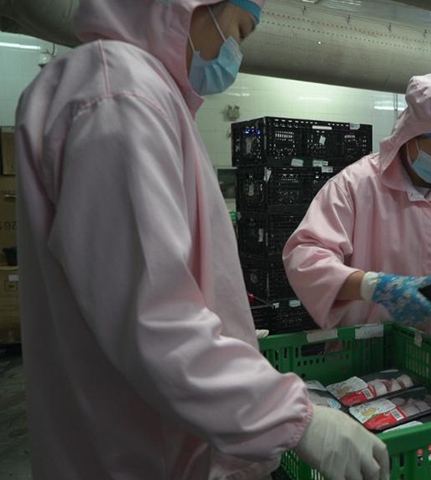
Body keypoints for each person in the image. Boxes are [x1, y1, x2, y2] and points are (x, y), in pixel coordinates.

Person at [15, 1, 390, 479]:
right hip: (141, 454)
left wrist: (224, 330)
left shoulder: (135, 91)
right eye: (238, 30)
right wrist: (294, 417)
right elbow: (154, 320)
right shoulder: (120, 96)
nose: (235, 52)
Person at [283, 74, 431, 354]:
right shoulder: (356, 185)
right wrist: (374, 287)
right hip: (369, 354)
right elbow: (305, 257)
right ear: (410, 136)